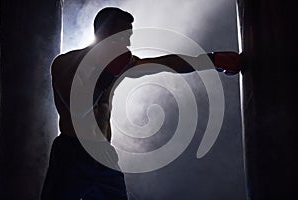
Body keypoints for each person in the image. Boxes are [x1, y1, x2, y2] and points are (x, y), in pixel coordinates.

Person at [41, 7, 241, 200]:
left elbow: (165, 64)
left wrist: (210, 60)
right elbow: (77, 109)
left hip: (103, 154)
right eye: (122, 36)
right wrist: (107, 74)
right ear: (104, 34)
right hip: (72, 153)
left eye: (129, 37)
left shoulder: (121, 62)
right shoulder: (66, 63)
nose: (127, 44)